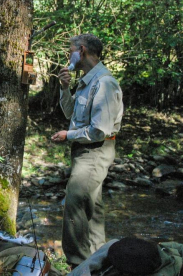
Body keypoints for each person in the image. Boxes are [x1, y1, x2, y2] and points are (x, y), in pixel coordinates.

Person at [52, 34, 123, 268]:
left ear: (81, 51)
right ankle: (98, 263)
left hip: (95, 150)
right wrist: (64, 88)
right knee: (91, 209)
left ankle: (78, 266)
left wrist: (67, 135)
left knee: (75, 205)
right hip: (85, 151)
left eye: (69, 50)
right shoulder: (87, 80)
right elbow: (71, 114)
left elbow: (99, 131)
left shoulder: (104, 82)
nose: (67, 55)